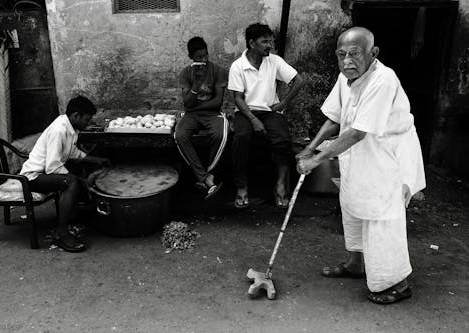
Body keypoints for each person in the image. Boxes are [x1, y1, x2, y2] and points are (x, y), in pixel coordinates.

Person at [296, 27, 425, 304]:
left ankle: (397, 283)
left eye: (354, 54)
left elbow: (356, 132)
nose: (347, 61)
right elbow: (333, 117)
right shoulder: (346, 78)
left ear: (373, 53)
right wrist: (308, 149)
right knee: (353, 206)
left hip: (388, 155)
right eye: (341, 55)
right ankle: (356, 264)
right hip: (360, 152)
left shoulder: (383, 79)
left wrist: (317, 160)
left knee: (382, 218)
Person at [20, 96, 109, 252]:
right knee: (72, 182)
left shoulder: (70, 127)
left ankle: (72, 216)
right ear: (76, 116)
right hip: (33, 177)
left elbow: (72, 152)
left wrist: (97, 160)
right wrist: (81, 181)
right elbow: (53, 166)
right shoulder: (59, 130)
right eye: (87, 120)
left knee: (77, 175)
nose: (88, 124)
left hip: (46, 173)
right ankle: (61, 233)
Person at [228, 23, 303, 209]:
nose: (269, 45)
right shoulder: (238, 66)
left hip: (270, 111)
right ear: (252, 43)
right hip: (245, 112)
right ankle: (241, 187)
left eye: (270, 41)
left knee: (283, 140)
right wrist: (253, 120)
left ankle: (279, 186)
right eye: (264, 41)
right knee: (241, 138)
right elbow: (237, 98)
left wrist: (283, 103)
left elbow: (298, 81)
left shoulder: (274, 61)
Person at [174, 36, 229, 199]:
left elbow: (217, 102)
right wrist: (196, 85)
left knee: (222, 134)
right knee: (179, 135)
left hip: (212, 114)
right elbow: (187, 104)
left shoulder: (217, 71)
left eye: (206, 55)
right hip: (191, 115)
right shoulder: (186, 73)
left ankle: (209, 174)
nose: (204, 60)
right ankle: (204, 178)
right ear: (191, 58)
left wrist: (194, 105)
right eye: (199, 57)